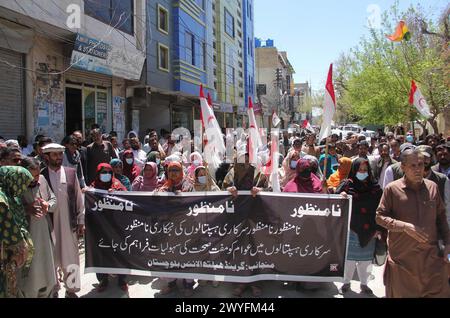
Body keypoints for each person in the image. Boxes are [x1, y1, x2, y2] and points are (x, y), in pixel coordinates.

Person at [376, 149, 450, 298]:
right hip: (403, 262)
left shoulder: (432, 187)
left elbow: (441, 218)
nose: (418, 169)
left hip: (430, 260)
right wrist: (404, 227)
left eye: (421, 165)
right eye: (413, 165)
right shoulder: (392, 189)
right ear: (403, 167)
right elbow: (380, 217)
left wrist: (448, 243)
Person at [40, 143, 85, 298]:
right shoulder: (41, 176)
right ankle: (53, 289)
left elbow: (79, 198)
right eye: (54, 155)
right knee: (51, 259)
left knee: (71, 258)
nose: (58, 158)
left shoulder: (71, 173)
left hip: (69, 224)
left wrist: (81, 221)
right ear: (46, 157)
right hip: (49, 225)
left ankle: (71, 290)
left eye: (60, 154)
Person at [335, 158, 383, 294]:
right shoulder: (346, 185)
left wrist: (379, 229)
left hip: (370, 229)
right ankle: (346, 283)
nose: (362, 172)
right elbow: (334, 201)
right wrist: (341, 196)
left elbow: (381, 208)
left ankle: (364, 284)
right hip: (351, 228)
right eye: (359, 170)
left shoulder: (375, 188)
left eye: (365, 170)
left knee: (366, 261)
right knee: (349, 260)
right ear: (354, 170)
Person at [18, 158, 57, 298]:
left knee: (48, 273)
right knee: (31, 278)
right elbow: (9, 210)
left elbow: (54, 200)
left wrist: (47, 204)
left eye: (36, 175)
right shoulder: (15, 185)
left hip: (45, 237)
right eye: (31, 175)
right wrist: (27, 209)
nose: (34, 179)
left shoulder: (42, 180)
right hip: (27, 239)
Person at [157, 162, 194, 296]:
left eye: (176, 170)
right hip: (169, 228)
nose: (173, 173)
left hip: (186, 227)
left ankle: (188, 284)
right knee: (170, 255)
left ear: (181, 171)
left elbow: (194, 202)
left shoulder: (189, 185)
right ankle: (171, 283)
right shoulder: (165, 187)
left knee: (187, 255)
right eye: (170, 170)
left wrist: (182, 197)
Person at [90, 163, 128, 293]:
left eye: (108, 172)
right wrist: (86, 193)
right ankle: (103, 279)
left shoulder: (117, 185)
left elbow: (129, 199)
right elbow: (89, 202)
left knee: (120, 251)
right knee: (101, 252)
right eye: (103, 172)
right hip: (100, 226)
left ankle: (122, 279)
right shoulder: (93, 187)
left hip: (116, 226)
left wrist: (118, 194)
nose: (106, 175)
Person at [0, 166, 34, 298]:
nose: (23, 189)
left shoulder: (9, 196)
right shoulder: (2, 199)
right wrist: (20, 245)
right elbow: (8, 225)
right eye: (22, 184)